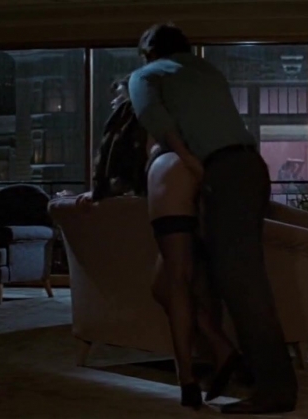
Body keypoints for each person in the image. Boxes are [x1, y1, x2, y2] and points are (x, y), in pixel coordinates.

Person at [127, 23, 298, 414]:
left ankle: (276, 388)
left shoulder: (145, 76)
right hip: (251, 167)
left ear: (149, 52)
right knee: (225, 274)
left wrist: (188, 160)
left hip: (222, 170)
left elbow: (154, 118)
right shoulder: (207, 71)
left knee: (244, 284)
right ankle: (237, 364)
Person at [76, 75, 244, 410]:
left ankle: (187, 380)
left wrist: (101, 190)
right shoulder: (174, 122)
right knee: (164, 287)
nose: (115, 103)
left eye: (120, 96)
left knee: (176, 285)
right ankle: (222, 348)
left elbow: (123, 164)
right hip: (187, 189)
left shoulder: (146, 119)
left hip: (175, 186)